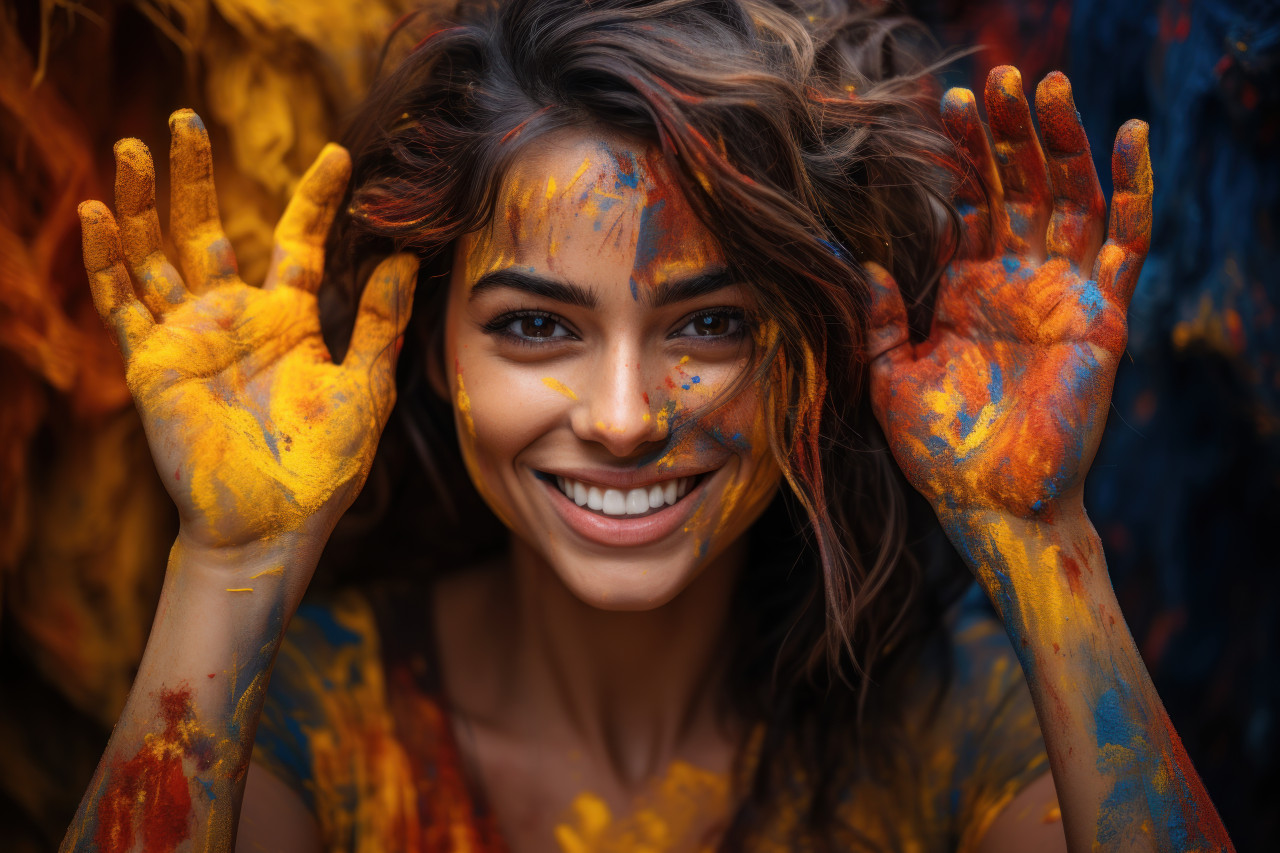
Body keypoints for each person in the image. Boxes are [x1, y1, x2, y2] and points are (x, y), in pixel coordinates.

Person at [60, 0, 1233, 850]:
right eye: (534, 328)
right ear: (423, 350)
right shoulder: (312, 713)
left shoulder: (958, 723)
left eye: (710, 324)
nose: (623, 418)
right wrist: (232, 562)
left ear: (818, 353)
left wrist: (1039, 541)